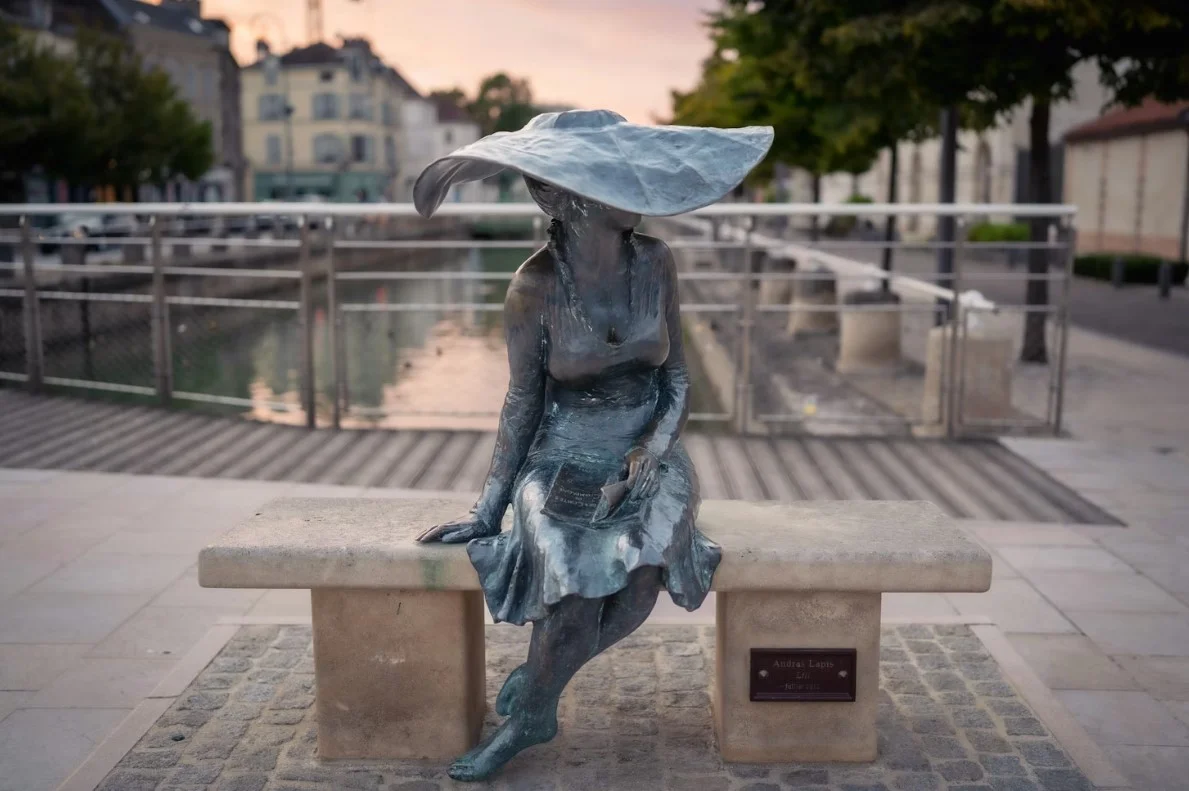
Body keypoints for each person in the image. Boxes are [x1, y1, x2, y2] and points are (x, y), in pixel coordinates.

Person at [413, 109, 772, 781]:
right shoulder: (533, 288)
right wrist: (490, 508)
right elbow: (522, 402)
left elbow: (676, 377)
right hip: (561, 453)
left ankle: (536, 688)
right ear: (562, 197)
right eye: (611, 178)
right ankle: (530, 718)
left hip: (648, 449)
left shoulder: (656, 262)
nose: (631, 189)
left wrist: (653, 449)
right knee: (571, 571)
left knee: (641, 576)